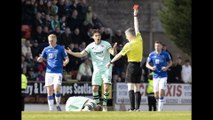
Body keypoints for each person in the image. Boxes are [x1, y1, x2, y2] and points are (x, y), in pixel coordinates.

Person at [66, 29, 117, 111]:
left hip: (106, 68)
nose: (98, 37)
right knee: (94, 89)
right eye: (96, 36)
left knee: (106, 87)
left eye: (99, 36)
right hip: (96, 69)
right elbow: (81, 54)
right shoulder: (90, 46)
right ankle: (97, 105)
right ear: (93, 37)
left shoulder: (106, 44)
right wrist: (71, 53)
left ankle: (104, 105)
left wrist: (114, 49)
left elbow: (113, 53)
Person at [106, 7, 143, 111]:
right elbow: (137, 26)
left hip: (131, 66)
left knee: (130, 87)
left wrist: (110, 62)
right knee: (137, 88)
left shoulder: (128, 45)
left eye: (126, 35)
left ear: (130, 35)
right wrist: (135, 15)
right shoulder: (139, 39)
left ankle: (131, 108)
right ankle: (137, 108)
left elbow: (119, 55)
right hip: (139, 66)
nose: (126, 37)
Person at [37, 34, 69, 111]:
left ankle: (58, 104)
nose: (50, 42)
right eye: (49, 41)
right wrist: (39, 59)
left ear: (55, 40)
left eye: (52, 41)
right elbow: (42, 57)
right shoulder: (46, 49)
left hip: (58, 72)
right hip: (49, 72)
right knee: (49, 90)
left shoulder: (61, 49)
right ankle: (51, 109)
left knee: (57, 88)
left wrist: (65, 62)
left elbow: (67, 58)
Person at [146, 41, 173, 111]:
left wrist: (166, 67)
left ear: (161, 46)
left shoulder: (166, 54)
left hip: (163, 76)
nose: (156, 47)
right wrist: (151, 68)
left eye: (158, 46)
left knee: (161, 91)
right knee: (156, 95)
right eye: (155, 46)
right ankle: (160, 102)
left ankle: (160, 110)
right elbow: (147, 64)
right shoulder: (152, 54)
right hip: (155, 76)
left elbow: (171, 62)